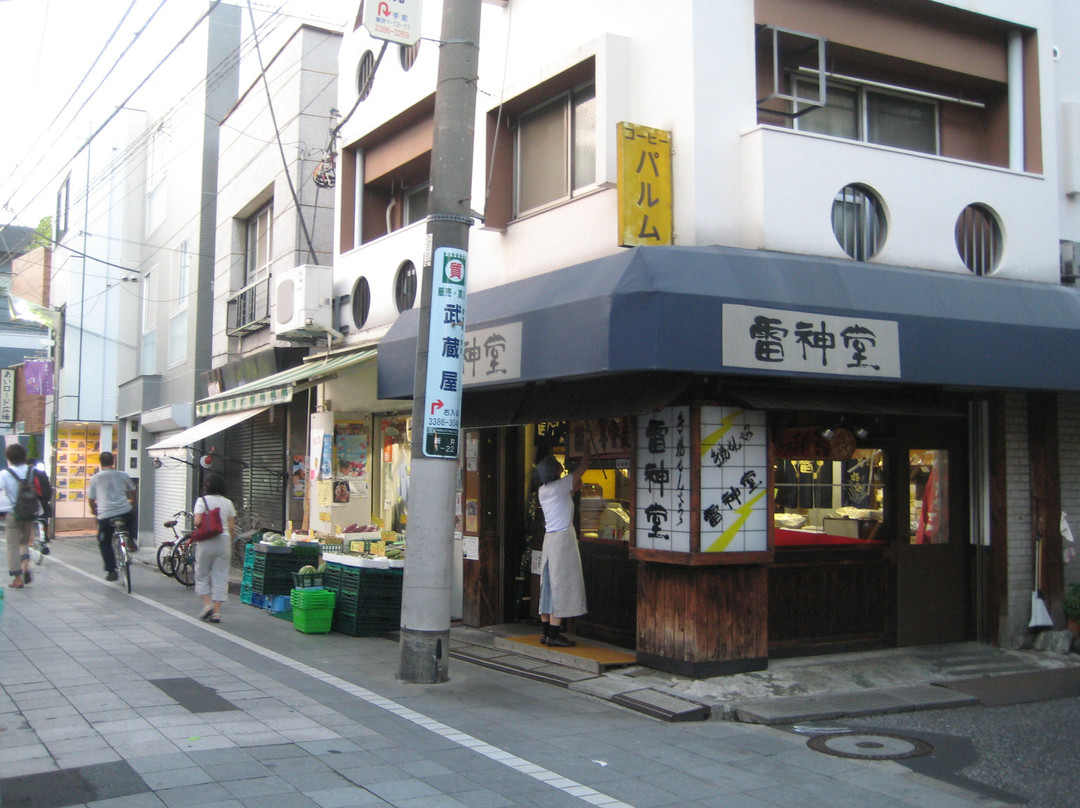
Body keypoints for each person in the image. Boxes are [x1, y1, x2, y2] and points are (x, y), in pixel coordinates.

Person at [533, 438, 591, 647]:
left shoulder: (544, 491)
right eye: (558, 467)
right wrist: (587, 449)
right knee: (561, 585)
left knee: (548, 585)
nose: (561, 468)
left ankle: (546, 632)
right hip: (562, 541)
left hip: (550, 541)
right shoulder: (559, 486)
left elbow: (570, 491)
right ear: (555, 472)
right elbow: (583, 468)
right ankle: (555, 635)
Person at [193, 474, 236, 624]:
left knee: (201, 573)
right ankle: (216, 613)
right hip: (223, 541)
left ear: (207, 486)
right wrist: (229, 541)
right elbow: (231, 527)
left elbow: (197, 522)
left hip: (206, 541)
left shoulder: (201, 501)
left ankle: (207, 605)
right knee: (221, 576)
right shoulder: (228, 503)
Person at [87, 451, 137, 582]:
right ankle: (131, 539)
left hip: (106, 514)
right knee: (130, 515)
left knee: (104, 541)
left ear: (100, 462)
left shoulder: (96, 478)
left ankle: (111, 570)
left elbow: (91, 499)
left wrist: (94, 511)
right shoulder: (123, 475)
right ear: (113, 461)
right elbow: (132, 490)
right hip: (123, 511)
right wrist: (131, 500)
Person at [2, 443, 41, 588]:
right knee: (24, 542)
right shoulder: (31, 471)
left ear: (9, 457)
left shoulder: (5, 473)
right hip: (29, 513)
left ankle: (17, 579)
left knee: (12, 546)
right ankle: (26, 567)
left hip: (14, 513)